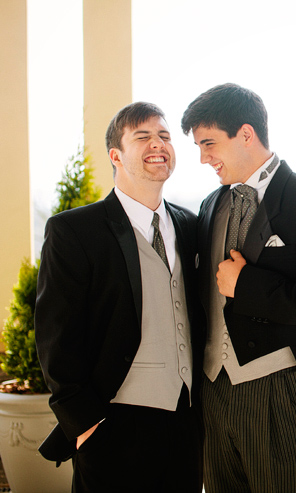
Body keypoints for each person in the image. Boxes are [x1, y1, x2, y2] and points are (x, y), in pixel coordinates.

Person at [181, 83, 296, 493]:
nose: (204, 158)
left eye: (209, 144)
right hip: (214, 393)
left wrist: (249, 286)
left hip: (282, 392)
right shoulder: (211, 205)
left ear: (245, 134)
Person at [35, 102, 203, 492]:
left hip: (186, 422)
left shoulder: (191, 225)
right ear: (116, 155)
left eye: (163, 136)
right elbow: (55, 335)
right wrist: (83, 424)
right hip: (112, 422)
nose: (157, 144)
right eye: (142, 136)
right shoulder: (74, 231)